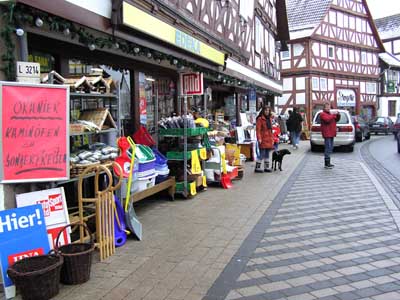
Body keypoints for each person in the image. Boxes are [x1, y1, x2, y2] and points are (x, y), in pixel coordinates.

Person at [320, 102, 340, 169]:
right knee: (328, 148)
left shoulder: (331, 114)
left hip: (332, 133)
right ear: (324, 108)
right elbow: (327, 120)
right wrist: (333, 115)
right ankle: (326, 164)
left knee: (330, 148)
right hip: (327, 133)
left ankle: (328, 162)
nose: (328, 108)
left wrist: (338, 114)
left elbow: (337, 119)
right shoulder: (322, 114)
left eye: (329, 107)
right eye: (327, 107)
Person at [255, 106, 274, 173]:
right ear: (263, 111)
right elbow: (258, 130)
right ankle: (257, 168)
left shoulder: (269, 119)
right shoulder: (260, 119)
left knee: (267, 154)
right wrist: (259, 138)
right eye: (266, 110)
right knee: (262, 154)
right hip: (263, 139)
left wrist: (272, 139)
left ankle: (266, 167)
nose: (267, 112)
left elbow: (271, 130)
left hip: (269, 139)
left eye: (268, 110)